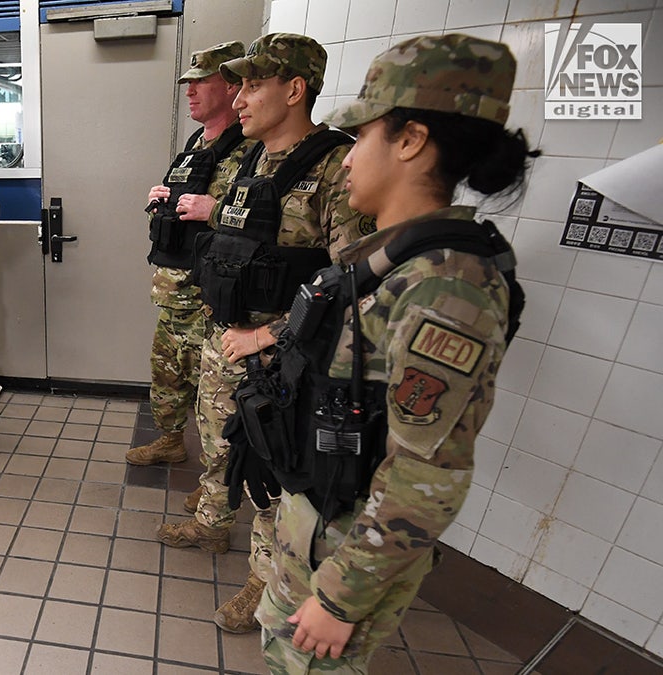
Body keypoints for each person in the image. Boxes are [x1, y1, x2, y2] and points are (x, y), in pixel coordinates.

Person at [250, 34, 531, 672]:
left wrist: (342, 598)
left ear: (410, 140)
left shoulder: (446, 286)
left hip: (345, 551)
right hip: (313, 521)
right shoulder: (391, 258)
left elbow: (428, 474)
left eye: (365, 136)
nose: (348, 159)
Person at [155, 33, 375, 634]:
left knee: (274, 476)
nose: (240, 97)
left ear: (295, 89)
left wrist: (266, 337)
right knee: (219, 442)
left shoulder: (335, 167)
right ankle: (210, 521)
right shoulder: (249, 158)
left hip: (283, 360)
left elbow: (354, 284)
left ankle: (264, 581)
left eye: (253, 85)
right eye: (240, 84)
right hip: (226, 341)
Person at [125, 42, 257, 486]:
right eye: (188, 83)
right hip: (174, 291)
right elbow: (179, 203)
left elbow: (265, 221)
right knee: (167, 376)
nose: (191, 91)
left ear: (233, 86)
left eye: (202, 81)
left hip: (211, 299)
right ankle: (169, 440)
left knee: (215, 397)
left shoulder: (252, 149)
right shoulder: (195, 144)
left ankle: (214, 490)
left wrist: (214, 208)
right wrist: (157, 200)